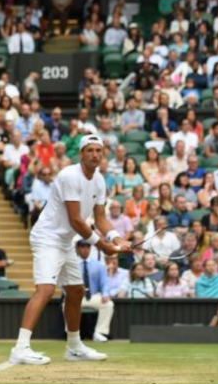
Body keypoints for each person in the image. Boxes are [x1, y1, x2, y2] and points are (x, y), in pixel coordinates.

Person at [10, 135, 130, 366]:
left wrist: (117, 238)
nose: (95, 154)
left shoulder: (99, 181)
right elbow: (76, 220)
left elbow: (101, 218)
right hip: (47, 238)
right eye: (90, 150)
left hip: (65, 241)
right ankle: (20, 348)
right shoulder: (68, 176)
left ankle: (74, 347)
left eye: (98, 150)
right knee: (45, 290)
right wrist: (103, 245)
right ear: (81, 154)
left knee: (75, 291)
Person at [76, 240, 114, 342]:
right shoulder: (72, 265)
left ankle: (99, 332)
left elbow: (105, 282)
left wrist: (105, 294)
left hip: (93, 296)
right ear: (78, 249)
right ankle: (71, 334)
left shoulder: (99, 265)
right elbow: (65, 283)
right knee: (66, 304)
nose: (85, 250)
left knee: (108, 304)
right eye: (82, 247)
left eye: (87, 247)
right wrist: (70, 294)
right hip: (77, 297)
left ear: (90, 248)